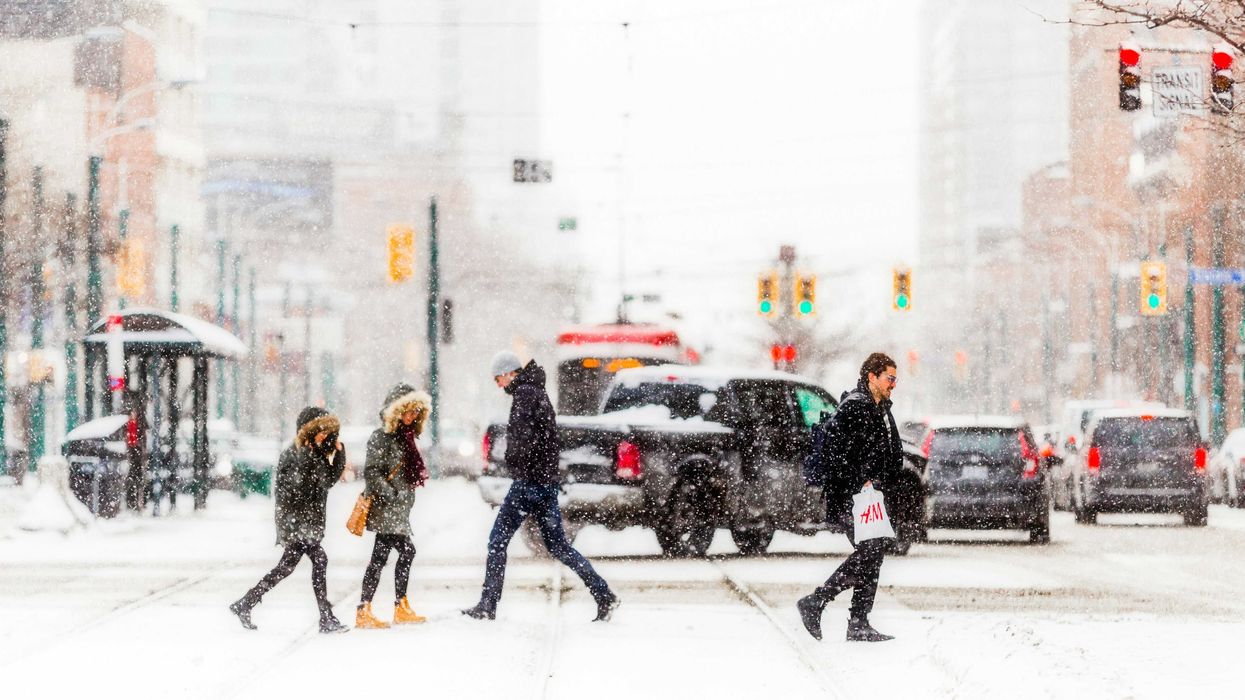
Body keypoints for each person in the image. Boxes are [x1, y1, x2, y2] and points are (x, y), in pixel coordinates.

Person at [463, 352, 619, 622]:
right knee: (559, 547)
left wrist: (513, 459)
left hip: (528, 484)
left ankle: (488, 605)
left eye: (498, 378)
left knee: (497, 542)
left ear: (510, 373)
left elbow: (524, 441)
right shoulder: (538, 391)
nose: (499, 385)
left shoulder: (524, 394)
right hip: (545, 484)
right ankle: (603, 593)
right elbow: (545, 440)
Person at [797, 352, 903, 643]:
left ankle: (858, 621)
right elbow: (836, 454)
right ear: (872, 376)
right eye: (889, 378)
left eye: (895, 379)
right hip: (850, 497)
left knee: (874, 551)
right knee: (870, 551)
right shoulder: (855, 407)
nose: (894, 384)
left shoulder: (878, 407)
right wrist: (860, 480)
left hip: (869, 497)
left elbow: (884, 451)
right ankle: (817, 602)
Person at [230, 407, 348, 634]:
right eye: (321, 430)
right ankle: (325, 617)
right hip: (295, 522)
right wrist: (311, 459)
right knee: (318, 560)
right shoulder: (294, 453)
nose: (324, 435)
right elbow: (295, 489)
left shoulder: (315, 452)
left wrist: (338, 453)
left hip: (307, 522)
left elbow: (328, 480)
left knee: (285, 567)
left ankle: (245, 603)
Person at [354, 384, 432, 629]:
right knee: (401, 553)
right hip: (387, 508)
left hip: (398, 509)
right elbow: (372, 472)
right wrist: (392, 494)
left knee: (383, 557)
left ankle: (384, 607)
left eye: (415, 412)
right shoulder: (382, 436)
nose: (412, 417)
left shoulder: (405, 437)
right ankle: (380, 608)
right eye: (408, 412)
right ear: (396, 411)